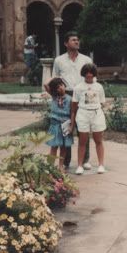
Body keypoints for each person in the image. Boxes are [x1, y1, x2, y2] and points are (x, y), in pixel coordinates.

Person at [50, 31, 93, 170]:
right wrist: (56, 96)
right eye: (73, 40)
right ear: (66, 43)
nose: (77, 42)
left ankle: (85, 159)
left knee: (83, 127)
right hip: (66, 94)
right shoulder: (59, 60)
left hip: (82, 94)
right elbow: (55, 79)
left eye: (77, 39)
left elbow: (93, 79)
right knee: (65, 128)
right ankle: (66, 162)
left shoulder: (86, 59)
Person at [71, 63, 106, 175]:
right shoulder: (78, 87)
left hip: (96, 114)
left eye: (91, 73)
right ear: (84, 74)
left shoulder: (99, 87)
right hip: (83, 114)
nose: (89, 75)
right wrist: (73, 121)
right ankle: (80, 166)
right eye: (87, 74)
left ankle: (101, 165)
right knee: (82, 141)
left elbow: (102, 102)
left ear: (94, 74)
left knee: (98, 140)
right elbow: (74, 104)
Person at [46, 77, 73, 171]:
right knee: (54, 146)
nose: (60, 88)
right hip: (55, 125)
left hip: (65, 125)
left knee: (64, 147)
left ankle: (61, 165)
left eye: (61, 85)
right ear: (54, 90)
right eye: (57, 87)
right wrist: (56, 77)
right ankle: (50, 166)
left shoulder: (70, 99)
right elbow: (46, 85)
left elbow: (73, 113)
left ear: (64, 85)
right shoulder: (54, 96)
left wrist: (71, 126)